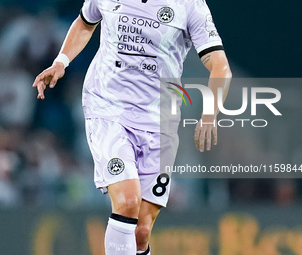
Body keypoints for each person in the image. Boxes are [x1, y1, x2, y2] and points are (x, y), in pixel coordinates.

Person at [32, 0, 232, 253]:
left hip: (160, 120)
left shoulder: (190, 4)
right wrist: (61, 61)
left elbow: (220, 67)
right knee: (127, 201)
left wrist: (209, 114)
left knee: (141, 231)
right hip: (108, 107)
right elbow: (85, 21)